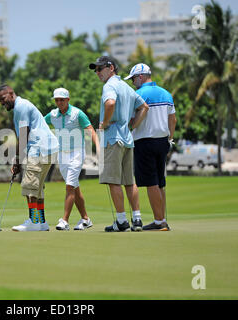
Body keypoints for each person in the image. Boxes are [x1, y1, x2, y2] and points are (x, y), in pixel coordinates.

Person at [89, 56, 149, 232]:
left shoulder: (110, 86)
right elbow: (144, 107)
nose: (97, 73)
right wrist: (132, 126)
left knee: (114, 181)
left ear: (111, 68)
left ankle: (122, 221)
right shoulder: (126, 87)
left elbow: (110, 103)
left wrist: (105, 123)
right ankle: (137, 219)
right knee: (129, 182)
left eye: (100, 69)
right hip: (127, 140)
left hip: (113, 139)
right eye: (96, 70)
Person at [0, 85, 59, 232]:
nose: (2, 103)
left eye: (3, 99)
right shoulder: (22, 106)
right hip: (48, 149)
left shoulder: (20, 107)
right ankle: (41, 222)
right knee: (37, 188)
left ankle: (34, 221)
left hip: (38, 149)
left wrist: (17, 160)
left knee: (29, 186)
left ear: (11, 93)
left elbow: (23, 135)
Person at [124, 63, 177, 231]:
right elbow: (173, 120)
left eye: (133, 79)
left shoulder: (137, 94)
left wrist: (130, 126)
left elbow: (132, 119)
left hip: (144, 141)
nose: (132, 82)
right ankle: (161, 219)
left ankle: (160, 221)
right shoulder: (166, 93)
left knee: (151, 182)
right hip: (163, 141)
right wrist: (170, 138)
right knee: (160, 182)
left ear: (140, 77)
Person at [44, 88, 100, 231]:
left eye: (62, 100)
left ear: (68, 100)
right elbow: (40, 124)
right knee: (74, 186)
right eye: (57, 100)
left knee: (69, 186)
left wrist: (98, 147)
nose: (59, 102)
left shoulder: (77, 113)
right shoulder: (53, 114)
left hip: (77, 153)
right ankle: (86, 219)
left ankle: (64, 221)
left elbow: (90, 129)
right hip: (62, 154)